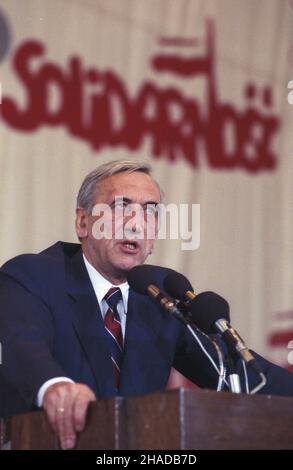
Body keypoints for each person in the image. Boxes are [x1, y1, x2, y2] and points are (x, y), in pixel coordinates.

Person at [0, 159, 293, 450]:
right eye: (121, 207)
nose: (136, 224)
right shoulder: (34, 275)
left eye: (150, 212)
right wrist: (54, 386)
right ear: (83, 222)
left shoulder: (160, 292)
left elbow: (239, 372)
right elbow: (24, 346)